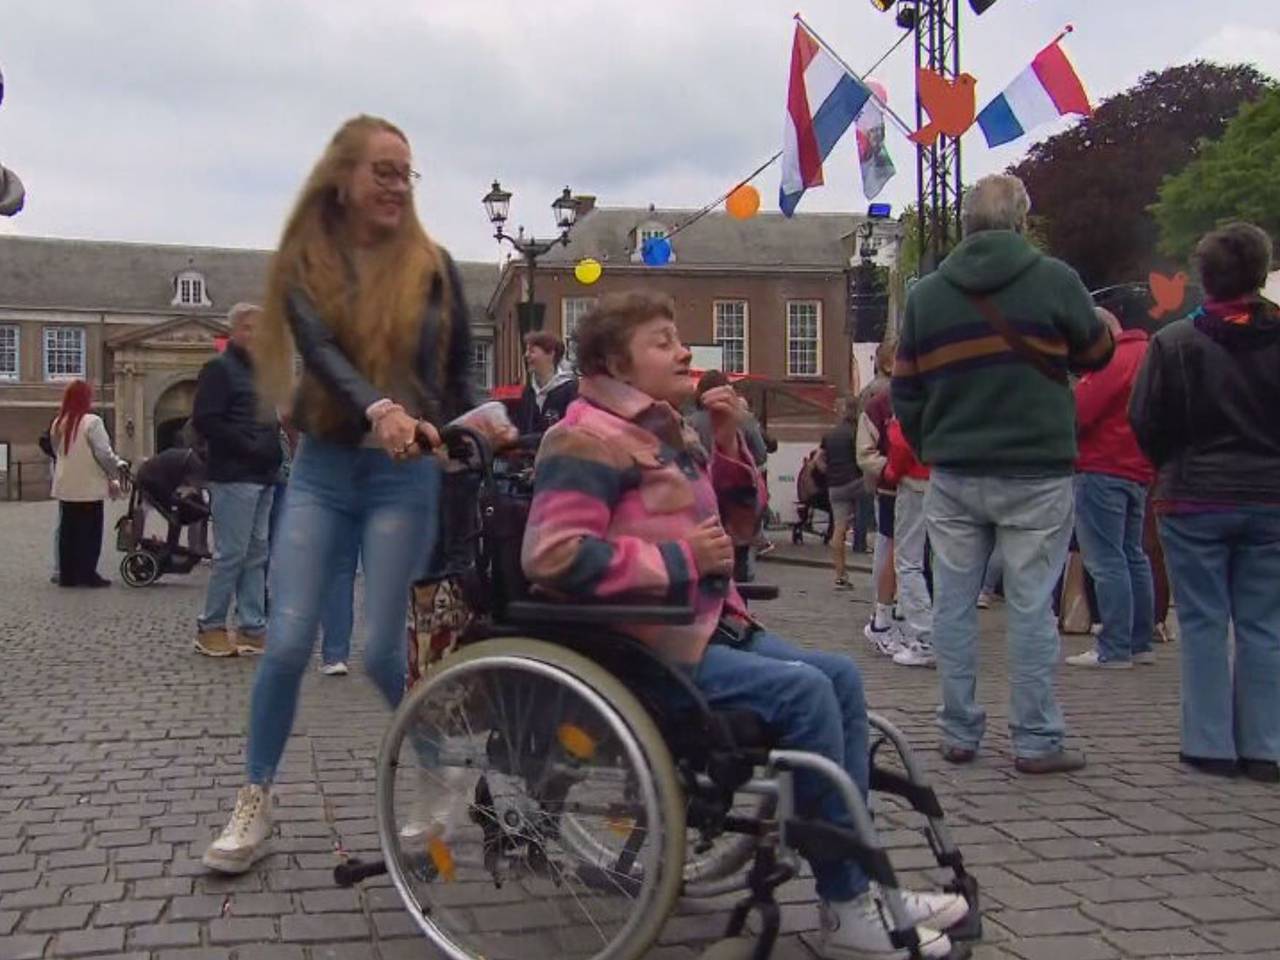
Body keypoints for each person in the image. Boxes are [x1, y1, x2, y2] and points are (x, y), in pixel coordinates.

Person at [522, 290, 966, 959]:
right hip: (643, 648)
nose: (683, 351)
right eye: (663, 340)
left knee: (840, 675)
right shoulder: (584, 436)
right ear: (617, 360)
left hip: (708, 625)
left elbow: (740, 529)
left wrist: (726, 444)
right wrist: (676, 559)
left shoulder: (666, 431)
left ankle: (862, 882)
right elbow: (550, 555)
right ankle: (847, 902)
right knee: (806, 694)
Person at [202, 115, 475, 874]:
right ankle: (253, 802)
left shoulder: (436, 266)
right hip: (324, 469)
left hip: (403, 480)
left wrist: (473, 427)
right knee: (287, 641)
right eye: (382, 169)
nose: (396, 184)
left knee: (385, 653)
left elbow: (456, 377)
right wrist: (378, 407)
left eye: (405, 172)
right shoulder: (305, 266)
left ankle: (439, 761)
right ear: (342, 179)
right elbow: (321, 355)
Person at [893, 174, 1114, 774]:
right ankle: (1036, 737)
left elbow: (905, 389)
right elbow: (1097, 354)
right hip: (1036, 469)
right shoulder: (1055, 280)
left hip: (955, 470)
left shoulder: (927, 295)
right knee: (1030, 604)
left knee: (954, 605)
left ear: (965, 222)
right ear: (1021, 219)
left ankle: (959, 730)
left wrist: (931, 442)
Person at [1129, 222, 1280, 783]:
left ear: (1203, 279)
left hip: (1194, 495)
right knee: (1265, 624)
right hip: (1271, 497)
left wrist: (1171, 464)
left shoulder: (1175, 342)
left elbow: (1145, 418)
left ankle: (1209, 742)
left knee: (1203, 621)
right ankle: (1266, 745)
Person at [1066, 307, 1155, 669]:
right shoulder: (1145, 354)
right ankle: (1139, 640)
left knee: (1105, 559)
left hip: (1102, 467)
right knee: (1133, 554)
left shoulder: (1111, 361)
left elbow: (1079, 412)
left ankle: (1114, 646)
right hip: (1139, 469)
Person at [192, 303, 283, 658]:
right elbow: (206, 420)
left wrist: (271, 453)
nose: (257, 335)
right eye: (249, 328)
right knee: (231, 553)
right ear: (233, 332)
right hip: (233, 475)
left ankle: (251, 627)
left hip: (262, 475)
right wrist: (247, 447)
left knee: (257, 554)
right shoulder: (219, 369)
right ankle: (210, 626)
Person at [49, 379, 125, 587]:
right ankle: (87, 573)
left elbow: (57, 451)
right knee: (89, 532)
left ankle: (68, 574)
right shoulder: (92, 422)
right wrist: (116, 468)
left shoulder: (59, 422)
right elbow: (103, 453)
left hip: (66, 484)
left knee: (68, 530)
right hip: (88, 485)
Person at [857, 339, 902, 655]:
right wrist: (892, 470)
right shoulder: (880, 399)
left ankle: (891, 613)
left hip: (904, 483)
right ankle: (885, 614)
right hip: (894, 485)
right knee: (893, 548)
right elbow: (867, 449)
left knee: (899, 551)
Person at [883, 416, 934, 667]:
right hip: (948, 481)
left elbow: (901, 444)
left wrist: (891, 472)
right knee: (948, 563)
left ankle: (924, 639)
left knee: (908, 561)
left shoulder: (913, 397)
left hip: (916, 482)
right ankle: (951, 640)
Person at [135, 445, 209, 555]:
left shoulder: (189, 456)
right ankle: (173, 548)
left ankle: (173, 547)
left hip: (149, 475)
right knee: (176, 511)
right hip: (152, 479)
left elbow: (193, 486)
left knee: (177, 509)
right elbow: (196, 485)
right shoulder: (195, 463)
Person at [820, 397, 862, 589]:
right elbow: (863, 458)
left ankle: (840, 574)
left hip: (834, 486)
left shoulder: (829, 435)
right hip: (855, 481)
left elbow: (819, 461)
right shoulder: (856, 432)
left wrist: (829, 473)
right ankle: (861, 540)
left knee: (839, 529)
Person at [515, 330, 577, 436]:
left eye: (532, 351)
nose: (526, 355)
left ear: (550, 354)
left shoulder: (571, 391)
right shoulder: (527, 393)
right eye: (526, 351)